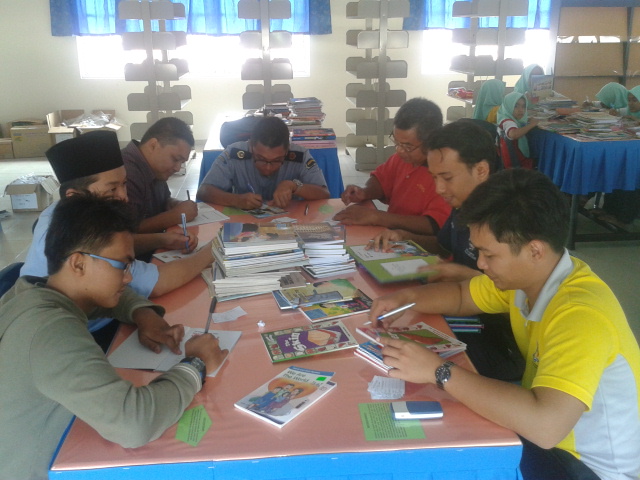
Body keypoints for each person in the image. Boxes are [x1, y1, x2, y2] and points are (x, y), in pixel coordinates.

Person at [371, 168, 640, 480]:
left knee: (440, 451)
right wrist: (405, 297)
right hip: (551, 435)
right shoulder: (531, 278)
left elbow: (546, 427)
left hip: (589, 467)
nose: (480, 264)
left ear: (535, 250)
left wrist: (438, 371)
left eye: (489, 254)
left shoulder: (580, 315)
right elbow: (462, 296)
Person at [0, 194, 228, 480]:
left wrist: (143, 313)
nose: (128, 278)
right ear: (79, 264)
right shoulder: (51, 332)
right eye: (122, 265)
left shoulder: (33, 290)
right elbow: (133, 424)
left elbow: (107, 297)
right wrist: (195, 365)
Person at [21, 131, 214, 346]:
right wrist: (214, 250)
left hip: (112, 313)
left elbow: (115, 247)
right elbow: (159, 282)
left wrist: (162, 240)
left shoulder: (61, 214)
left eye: (124, 184)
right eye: (112, 189)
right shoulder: (56, 334)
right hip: (92, 334)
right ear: (75, 197)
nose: (124, 196)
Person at [369, 120, 524, 381]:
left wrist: (464, 274)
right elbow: (445, 244)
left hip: (494, 336)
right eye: (434, 178)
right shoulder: (464, 202)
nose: (439, 189)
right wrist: (406, 237)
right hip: (456, 305)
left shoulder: (508, 220)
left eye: (447, 178)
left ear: (481, 170)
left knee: (401, 365)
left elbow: (516, 297)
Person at [333, 98, 451, 235]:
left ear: (431, 141)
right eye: (396, 142)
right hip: (391, 235)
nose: (399, 150)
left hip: (422, 243)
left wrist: (378, 217)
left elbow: (435, 225)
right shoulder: (401, 159)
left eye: (408, 146)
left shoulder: (445, 174)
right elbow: (381, 180)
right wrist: (365, 192)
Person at [197, 116, 330, 209]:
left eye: (277, 160)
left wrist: (294, 186)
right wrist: (236, 200)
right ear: (250, 146)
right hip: (244, 224)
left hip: (291, 221)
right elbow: (204, 191)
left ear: (287, 150)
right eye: (260, 159)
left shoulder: (299, 155)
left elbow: (324, 193)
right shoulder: (234, 153)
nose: (268, 168)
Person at [122, 117, 198, 233]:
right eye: (175, 159)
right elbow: (126, 232)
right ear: (153, 145)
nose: (178, 168)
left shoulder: (156, 169)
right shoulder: (125, 172)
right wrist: (174, 216)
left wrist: (174, 204)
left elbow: (163, 201)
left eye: (182, 162)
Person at [497, 91, 539, 169]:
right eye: (516, 106)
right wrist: (532, 125)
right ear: (508, 106)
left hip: (512, 160)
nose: (521, 110)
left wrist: (527, 119)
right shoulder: (508, 121)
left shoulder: (503, 116)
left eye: (523, 106)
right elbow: (513, 134)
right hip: (518, 162)